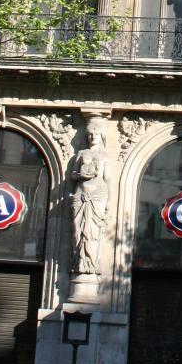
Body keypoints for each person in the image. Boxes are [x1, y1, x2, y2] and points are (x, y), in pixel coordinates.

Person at [71, 116, 111, 275]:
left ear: (102, 135)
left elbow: (108, 180)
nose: (93, 136)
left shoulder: (106, 155)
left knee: (93, 232)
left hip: (98, 196)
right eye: (90, 134)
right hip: (80, 194)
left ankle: (90, 265)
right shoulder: (82, 153)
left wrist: (109, 202)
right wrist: (81, 175)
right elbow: (73, 175)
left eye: (96, 133)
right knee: (77, 230)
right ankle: (79, 261)